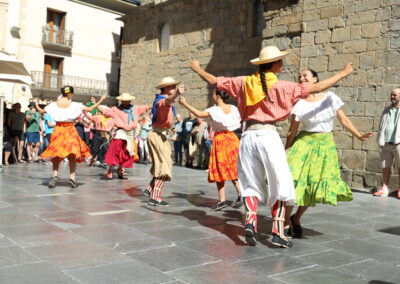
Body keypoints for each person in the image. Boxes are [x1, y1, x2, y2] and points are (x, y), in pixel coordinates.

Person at [190, 45, 353, 248]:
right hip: (268, 135)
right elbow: (317, 88)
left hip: (248, 136)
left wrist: (197, 69)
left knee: (249, 182)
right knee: (281, 184)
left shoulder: (244, 82)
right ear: (276, 64)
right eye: (280, 60)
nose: (282, 63)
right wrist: (344, 73)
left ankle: (250, 221)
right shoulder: (284, 86)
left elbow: (215, 81)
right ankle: (278, 232)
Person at [284, 69, 374, 238]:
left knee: (314, 186)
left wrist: (359, 135)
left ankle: (296, 218)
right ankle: (286, 222)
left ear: (315, 79)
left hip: (324, 146)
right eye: (300, 76)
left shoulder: (330, 97)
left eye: (305, 75)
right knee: (295, 182)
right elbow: (292, 130)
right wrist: (287, 149)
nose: (301, 78)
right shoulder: (299, 103)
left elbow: (344, 120)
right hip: (304, 144)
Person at [179, 89, 242, 210]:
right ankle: (240, 193)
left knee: (220, 168)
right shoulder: (233, 108)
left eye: (214, 93)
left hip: (221, 140)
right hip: (232, 139)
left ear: (218, 96)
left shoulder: (214, 110)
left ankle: (222, 200)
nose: (212, 95)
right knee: (232, 167)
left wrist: (184, 104)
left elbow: (199, 113)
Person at [35, 86, 106, 189]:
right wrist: (101, 100)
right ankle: (72, 177)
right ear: (70, 94)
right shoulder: (74, 105)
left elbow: (41, 111)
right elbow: (90, 108)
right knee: (72, 153)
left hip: (58, 129)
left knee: (56, 153)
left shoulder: (54, 105)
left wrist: (37, 103)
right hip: (69, 129)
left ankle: (55, 175)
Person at [144, 77, 183, 206]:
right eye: (172, 87)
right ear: (166, 88)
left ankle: (150, 189)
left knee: (161, 165)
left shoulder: (164, 101)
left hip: (160, 135)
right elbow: (166, 102)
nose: (174, 88)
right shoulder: (161, 100)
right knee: (164, 167)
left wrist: (171, 128)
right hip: (157, 136)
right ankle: (155, 197)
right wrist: (176, 94)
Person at [98, 93, 149, 179]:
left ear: (129, 100)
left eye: (127, 101)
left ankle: (120, 169)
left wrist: (160, 101)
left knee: (127, 152)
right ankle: (110, 169)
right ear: (121, 101)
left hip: (130, 133)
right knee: (114, 151)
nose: (125, 102)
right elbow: (104, 111)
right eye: (123, 101)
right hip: (121, 131)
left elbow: (146, 107)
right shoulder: (116, 109)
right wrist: (98, 102)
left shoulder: (135, 108)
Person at [374, 87, 400, 199]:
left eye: (395, 95)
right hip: (385, 143)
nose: (392, 97)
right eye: (391, 94)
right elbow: (382, 124)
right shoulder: (386, 109)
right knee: (385, 166)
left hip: (398, 143)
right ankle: (384, 188)